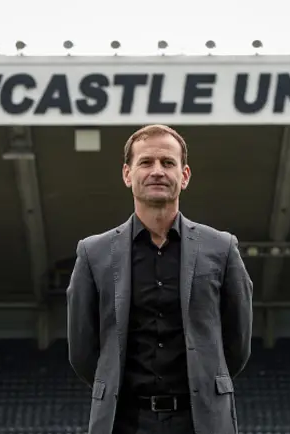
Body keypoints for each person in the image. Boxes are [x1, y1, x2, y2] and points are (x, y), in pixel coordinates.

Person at [66, 124, 253, 434]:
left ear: (185, 175)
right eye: (146, 162)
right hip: (124, 422)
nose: (157, 171)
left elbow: (237, 344)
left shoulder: (221, 248)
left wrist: (206, 382)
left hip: (200, 422)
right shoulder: (92, 253)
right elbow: (83, 351)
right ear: (127, 174)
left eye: (168, 163)